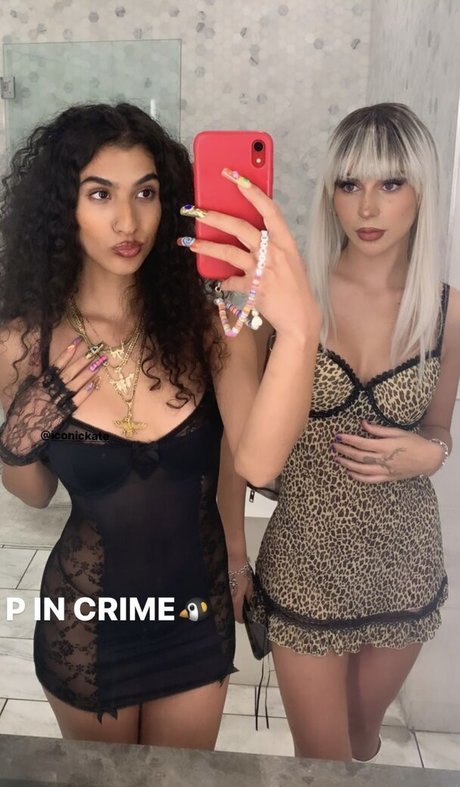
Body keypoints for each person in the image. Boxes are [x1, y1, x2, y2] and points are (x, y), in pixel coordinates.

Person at [0, 102, 320, 747]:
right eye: (100, 194)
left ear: (170, 203)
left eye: (145, 193)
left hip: (195, 615)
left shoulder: (211, 329)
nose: (128, 221)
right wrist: (16, 442)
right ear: (63, 208)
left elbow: (258, 464)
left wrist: (301, 329)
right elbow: (34, 495)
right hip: (86, 621)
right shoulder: (21, 343)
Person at [252, 103, 460, 762]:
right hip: (307, 557)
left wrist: (431, 453)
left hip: (404, 560)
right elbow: (248, 450)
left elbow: (438, 427)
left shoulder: (448, 311)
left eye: (390, 183)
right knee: (322, 758)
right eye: (350, 184)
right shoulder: (292, 298)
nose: (367, 206)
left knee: (363, 740)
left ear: (422, 191)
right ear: (330, 193)